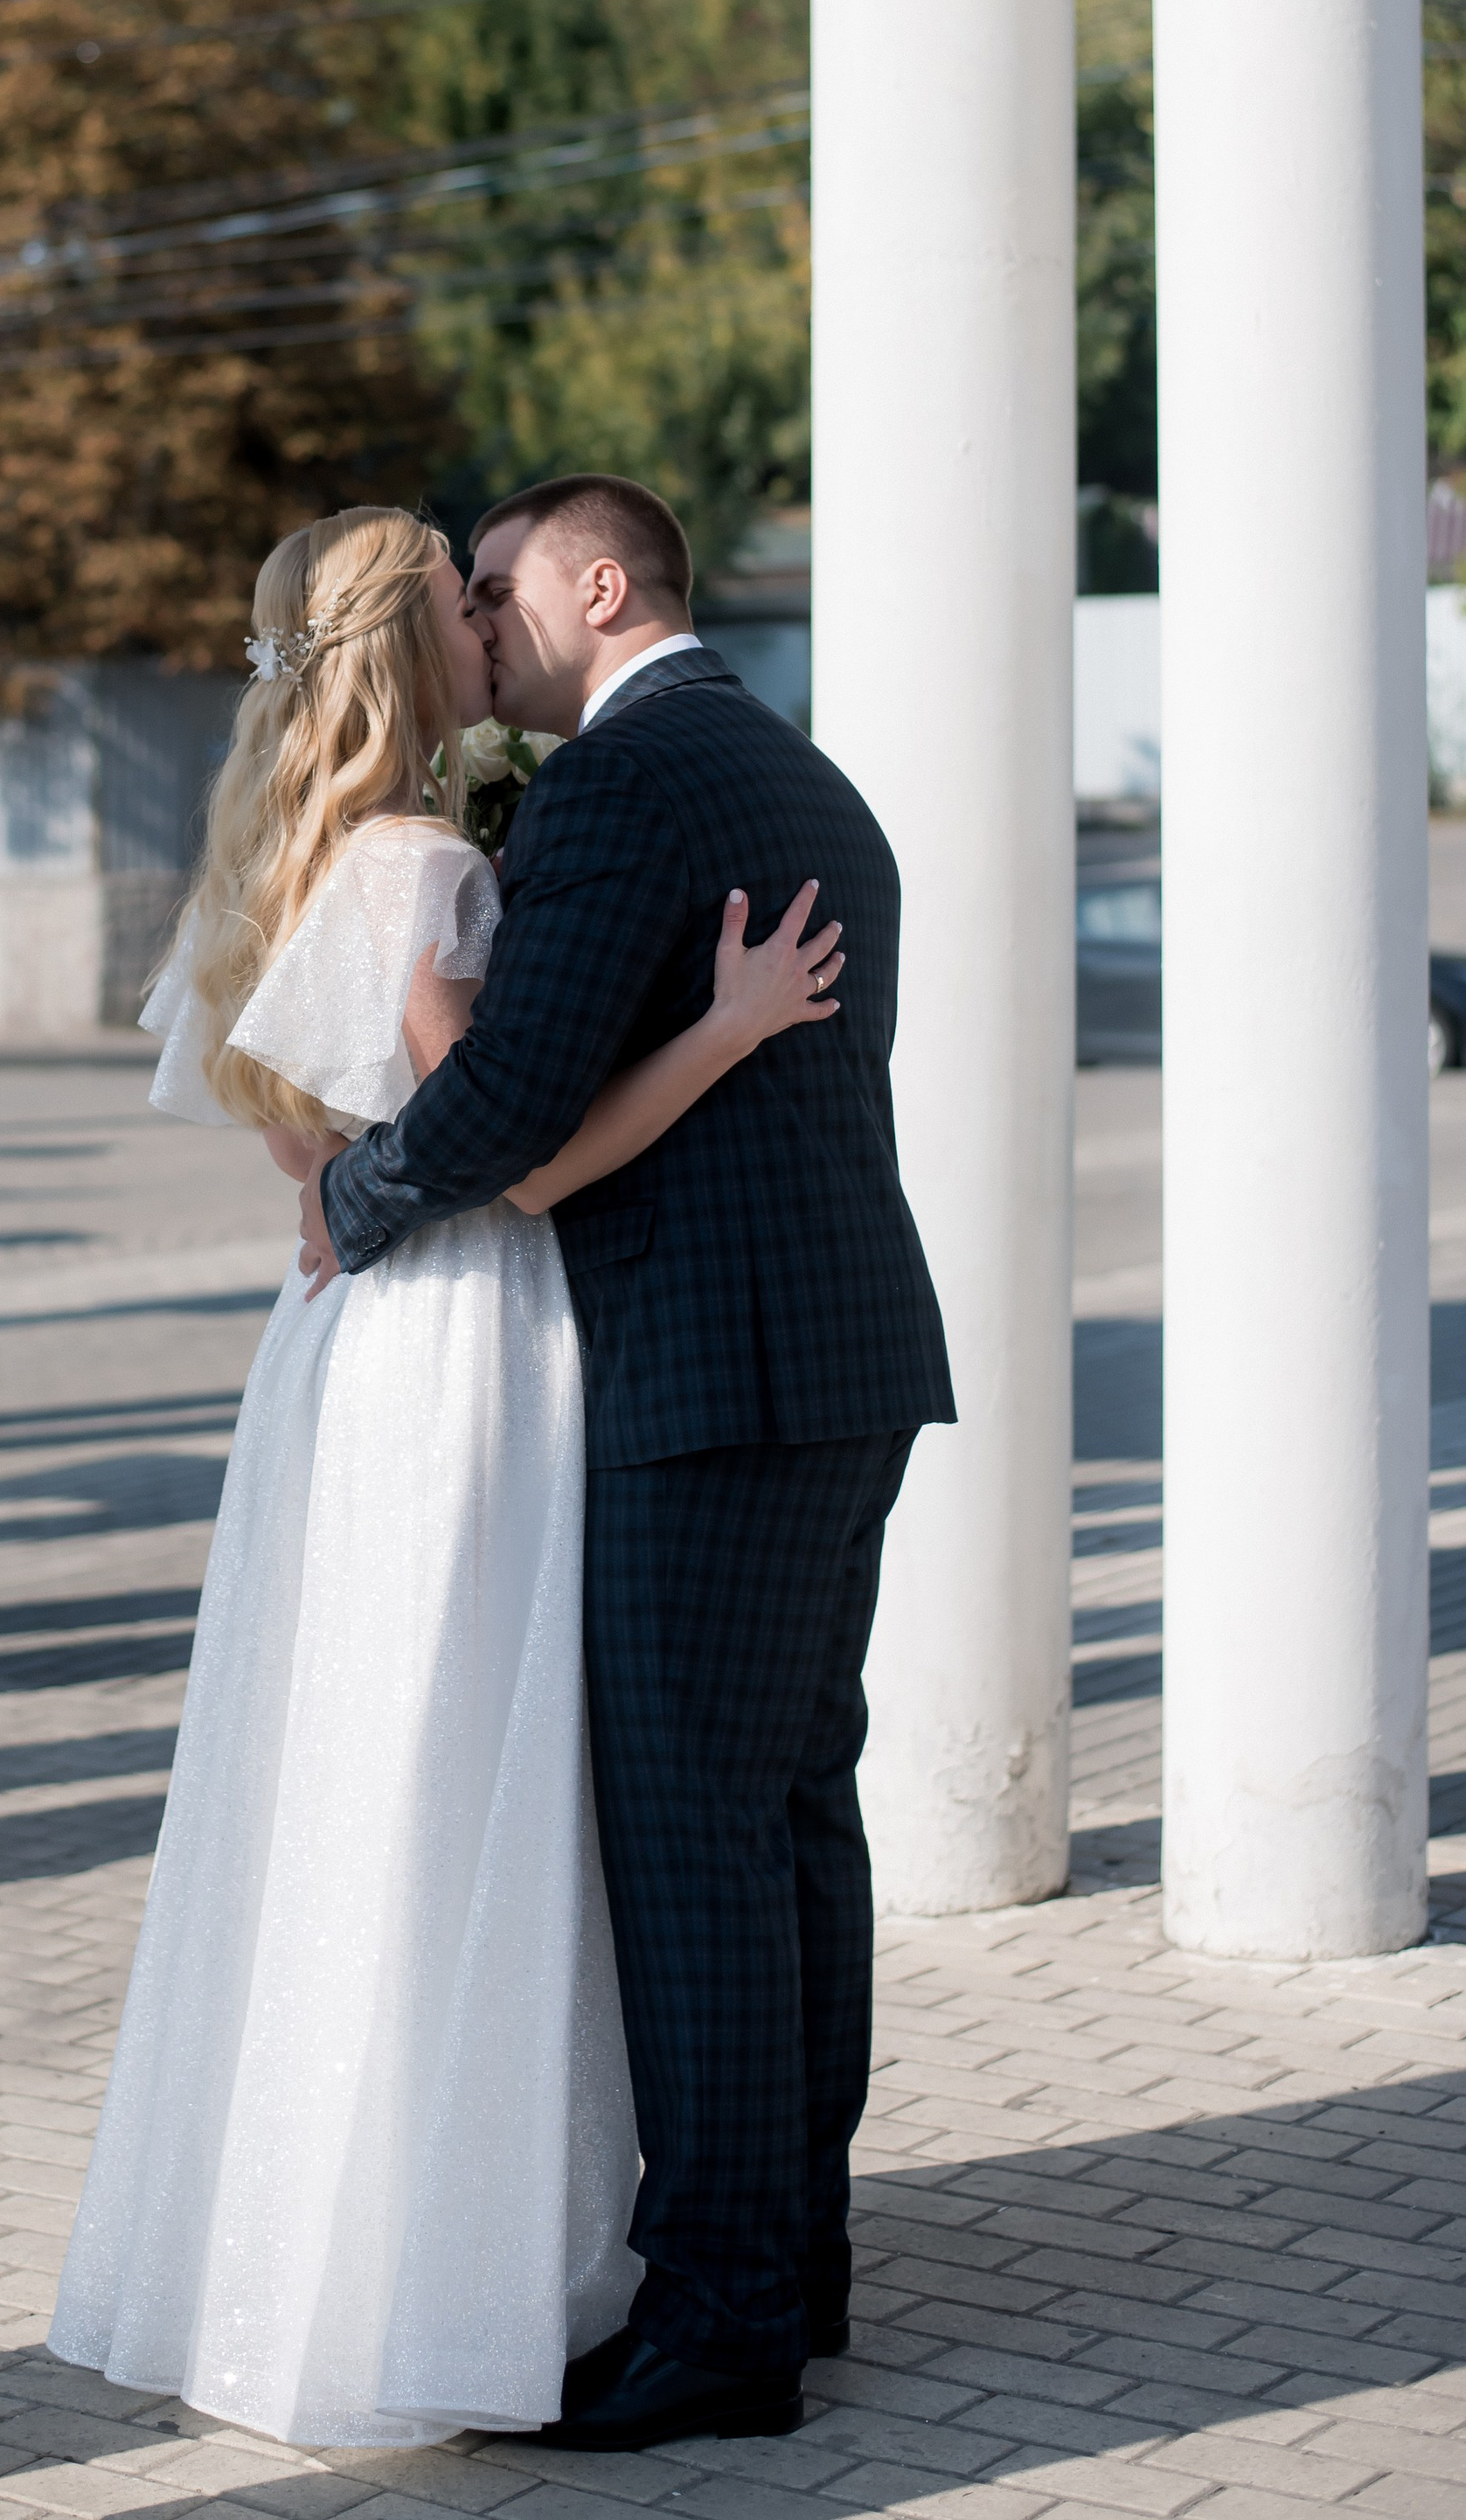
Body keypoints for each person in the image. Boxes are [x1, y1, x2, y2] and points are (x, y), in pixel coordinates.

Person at [49, 504, 844, 2452]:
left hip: (342, 1353)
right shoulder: (423, 860)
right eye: (464, 605)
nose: (493, 628)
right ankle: (466, 2263)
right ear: (429, 654)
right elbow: (527, 1155)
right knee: (462, 1784)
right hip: (465, 1349)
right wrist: (730, 1027)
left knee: (357, 1775)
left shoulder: (290, 858)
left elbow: (315, 1172)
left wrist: (355, 1196)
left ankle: (357, 2251)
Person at [303, 474, 955, 2453]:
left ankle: (722, 2320)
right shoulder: (797, 769)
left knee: (692, 1850)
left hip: (709, 1377)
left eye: (496, 592)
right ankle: (787, 2261)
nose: (480, 631)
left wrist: (357, 1190)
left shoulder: (623, 784)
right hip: (831, 1363)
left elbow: (505, 1099)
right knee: (785, 1826)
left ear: (599, 585)